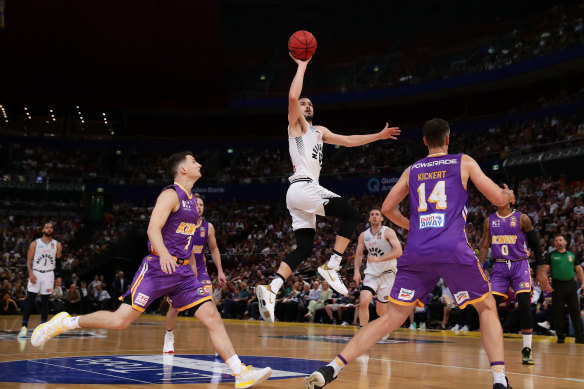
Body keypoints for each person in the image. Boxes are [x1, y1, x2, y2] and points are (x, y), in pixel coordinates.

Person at [30, 151, 271, 388]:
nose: (199, 164)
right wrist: (165, 253)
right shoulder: (171, 194)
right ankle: (65, 322)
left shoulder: (191, 201)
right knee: (120, 321)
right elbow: (153, 229)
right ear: (183, 169)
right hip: (157, 268)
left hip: (184, 274)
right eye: (193, 161)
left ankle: (239, 372)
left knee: (213, 318)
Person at [305, 118, 516, 389]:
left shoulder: (412, 170)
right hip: (452, 249)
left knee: (392, 317)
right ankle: (499, 380)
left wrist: (412, 225)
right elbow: (498, 199)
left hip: (418, 251)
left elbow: (387, 207)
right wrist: (508, 196)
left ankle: (332, 367)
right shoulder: (463, 162)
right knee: (486, 308)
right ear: (448, 140)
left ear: (425, 141)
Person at [255, 54, 400, 323]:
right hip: (303, 186)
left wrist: (378, 136)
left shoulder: (319, 130)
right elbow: (291, 99)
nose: (306, 105)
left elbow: (347, 139)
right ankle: (332, 265)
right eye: (303, 103)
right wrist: (301, 66)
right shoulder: (296, 126)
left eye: (310, 103)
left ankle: (272, 287)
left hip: (298, 195)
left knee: (304, 247)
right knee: (353, 215)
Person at [479, 200, 544, 364]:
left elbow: (535, 243)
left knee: (523, 304)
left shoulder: (522, 218)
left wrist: (541, 267)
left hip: (520, 263)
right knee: (490, 305)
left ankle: (527, 349)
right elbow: (485, 245)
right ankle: (492, 344)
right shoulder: (489, 220)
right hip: (500, 266)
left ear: (510, 200)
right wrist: (480, 267)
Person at [163, 193, 227, 353]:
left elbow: (213, 249)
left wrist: (220, 271)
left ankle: (220, 345)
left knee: (211, 306)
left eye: (201, 205)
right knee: (174, 308)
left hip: (200, 270)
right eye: (195, 204)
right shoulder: (179, 225)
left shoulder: (208, 227)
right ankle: (168, 335)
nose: (198, 207)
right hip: (181, 270)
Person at [353, 208, 402, 337]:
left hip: (388, 274)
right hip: (371, 274)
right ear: (369, 219)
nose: (374, 217)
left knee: (381, 311)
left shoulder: (388, 232)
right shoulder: (364, 235)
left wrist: (379, 259)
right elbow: (358, 256)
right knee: (364, 301)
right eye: (372, 214)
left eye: (377, 215)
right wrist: (357, 272)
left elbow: (398, 252)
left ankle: (386, 328)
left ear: (382, 218)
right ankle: (362, 333)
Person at [18, 222, 62, 338]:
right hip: (36, 273)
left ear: (52, 230)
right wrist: (30, 273)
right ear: (43, 230)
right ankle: (24, 327)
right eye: (46, 227)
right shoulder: (35, 243)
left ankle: (43, 328)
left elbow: (59, 262)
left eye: (51, 228)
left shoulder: (57, 244)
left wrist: (59, 276)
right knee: (30, 300)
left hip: (49, 274)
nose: (49, 229)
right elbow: (29, 260)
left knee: (45, 301)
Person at [540, 234, 584, 343]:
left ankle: (579, 337)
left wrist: (583, 283)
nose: (558, 242)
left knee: (575, 311)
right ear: (554, 244)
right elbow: (544, 271)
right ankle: (560, 336)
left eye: (560, 240)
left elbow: (579, 270)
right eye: (556, 240)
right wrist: (547, 285)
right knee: (557, 312)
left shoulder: (572, 255)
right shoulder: (551, 255)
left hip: (571, 285)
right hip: (557, 285)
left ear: (565, 242)